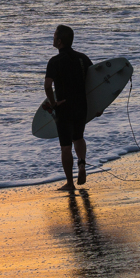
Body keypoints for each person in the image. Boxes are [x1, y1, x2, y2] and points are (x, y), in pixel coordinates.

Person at [44, 24, 94, 191]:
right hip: (82, 106)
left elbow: (47, 85)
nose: (52, 38)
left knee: (66, 145)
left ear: (59, 41)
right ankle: (81, 165)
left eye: (54, 36)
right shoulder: (83, 58)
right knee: (78, 137)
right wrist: (98, 106)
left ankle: (70, 183)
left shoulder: (54, 61)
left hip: (64, 107)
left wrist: (53, 103)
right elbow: (96, 83)